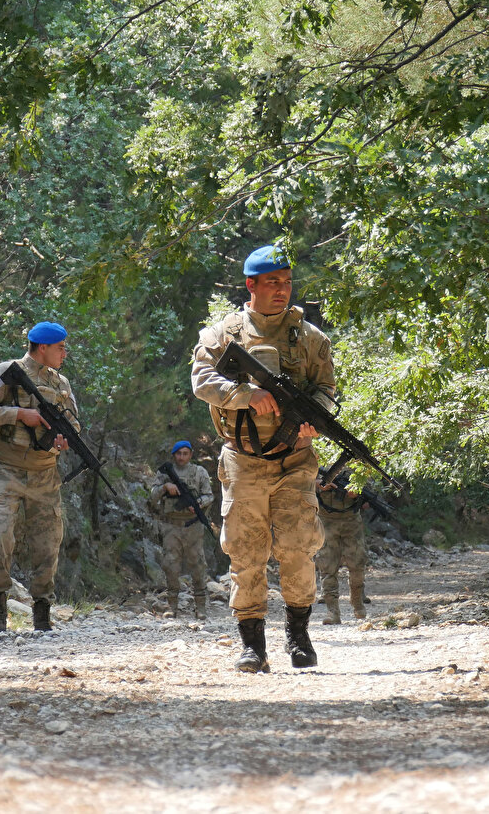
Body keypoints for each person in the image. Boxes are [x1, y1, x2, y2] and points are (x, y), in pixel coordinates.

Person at [191, 245, 335, 672]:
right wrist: (246, 395)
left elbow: (326, 391)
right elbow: (202, 381)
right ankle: (252, 645)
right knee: (246, 551)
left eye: (287, 281)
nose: (282, 290)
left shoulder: (310, 338)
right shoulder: (221, 337)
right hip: (243, 460)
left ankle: (299, 636)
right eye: (272, 282)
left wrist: (316, 419)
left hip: (295, 459)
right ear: (250, 285)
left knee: (297, 548)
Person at [0, 321, 79, 633]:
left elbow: (74, 424)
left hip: (46, 474)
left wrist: (63, 440)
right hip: (7, 469)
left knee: (48, 545)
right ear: (42, 347)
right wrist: (19, 414)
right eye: (60, 347)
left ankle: (42, 614)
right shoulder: (8, 371)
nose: (64, 353)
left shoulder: (62, 383)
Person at [149, 440, 215, 620]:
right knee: (171, 565)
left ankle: (200, 607)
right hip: (171, 525)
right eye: (179, 453)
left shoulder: (199, 472)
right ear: (174, 455)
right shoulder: (165, 474)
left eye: (185, 453)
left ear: (191, 455)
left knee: (198, 565)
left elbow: (209, 495)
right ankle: (172, 606)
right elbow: (153, 496)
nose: (182, 457)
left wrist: (198, 504)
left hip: (193, 525)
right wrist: (165, 488)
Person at [316, 474, 369, 624]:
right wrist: (319, 484)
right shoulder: (319, 456)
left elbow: (367, 491)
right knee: (327, 565)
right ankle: (332, 611)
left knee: (357, 562)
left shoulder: (356, 461)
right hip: (325, 520)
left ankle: (357, 601)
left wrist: (357, 492)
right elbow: (301, 479)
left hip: (351, 520)